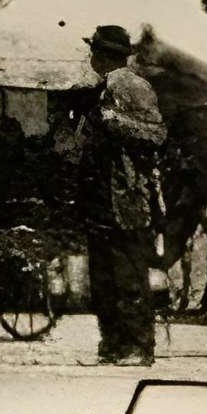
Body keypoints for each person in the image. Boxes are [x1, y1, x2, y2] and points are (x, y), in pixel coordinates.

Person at [77, 23, 168, 364]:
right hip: (99, 195)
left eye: (94, 53)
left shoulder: (132, 86)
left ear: (102, 56)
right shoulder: (102, 88)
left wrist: (113, 121)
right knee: (103, 277)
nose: (91, 58)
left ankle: (138, 346)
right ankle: (112, 345)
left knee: (128, 273)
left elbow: (156, 134)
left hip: (126, 196)